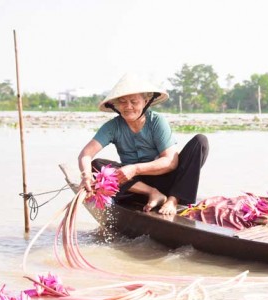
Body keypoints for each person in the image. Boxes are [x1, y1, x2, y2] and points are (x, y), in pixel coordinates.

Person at [78, 73, 209, 215]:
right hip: (135, 186)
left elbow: (171, 162)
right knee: (96, 165)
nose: (128, 107)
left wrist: (135, 168)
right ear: (116, 106)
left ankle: (173, 200)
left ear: (145, 102)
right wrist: (86, 175)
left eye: (134, 102)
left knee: (200, 142)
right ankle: (153, 193)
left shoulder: (156, 121)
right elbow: (86, 154)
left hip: (165, 180)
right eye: (122, 102)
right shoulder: (112, 126)